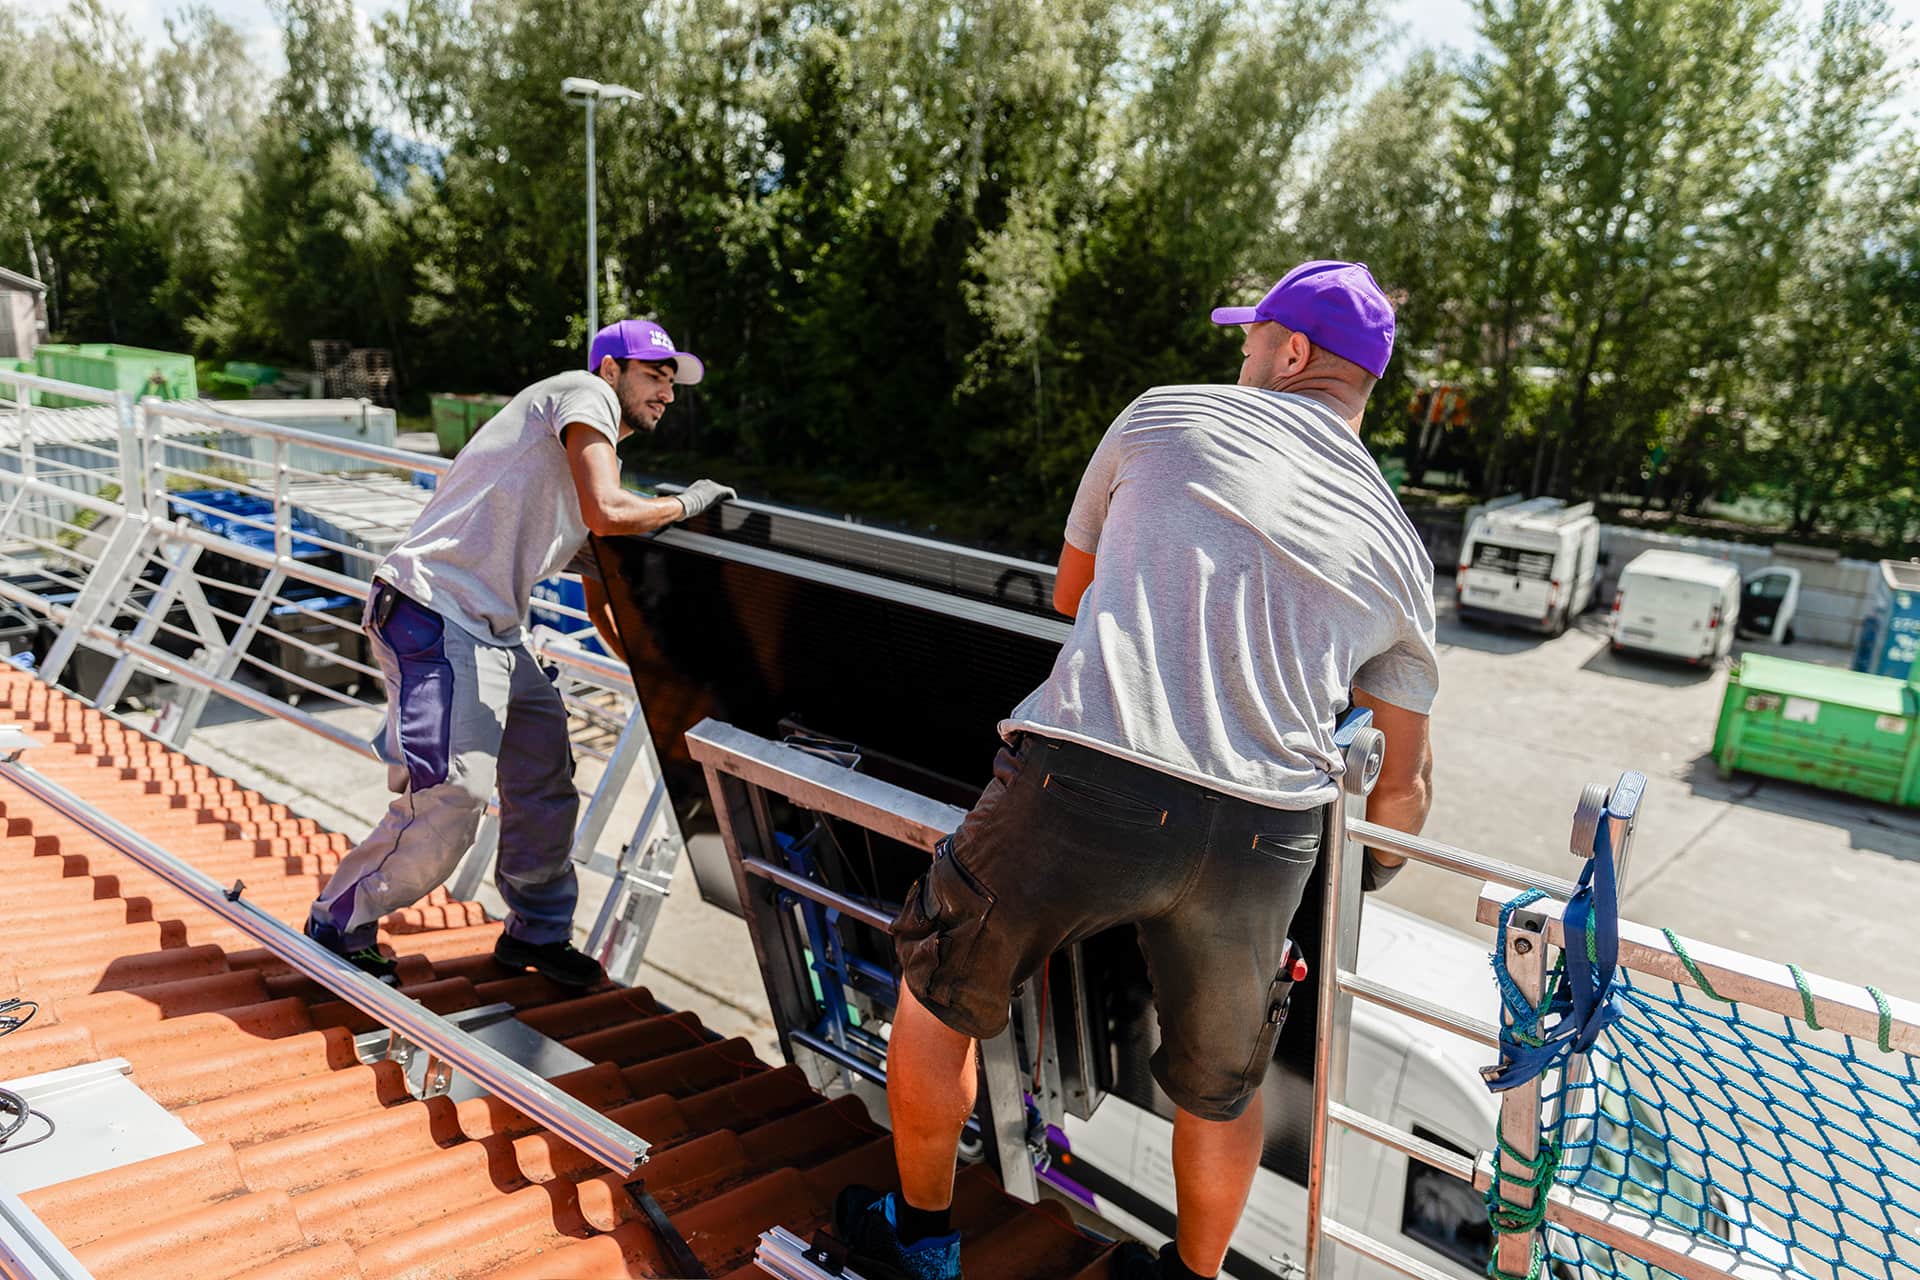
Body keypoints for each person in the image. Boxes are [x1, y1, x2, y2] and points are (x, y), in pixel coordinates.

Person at [835, 261, 1440, 1280]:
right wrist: (1365, 865)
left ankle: (920, 1240)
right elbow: (1401, 792)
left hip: (1088, 776)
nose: (1240, 354)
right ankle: (1189, 1276)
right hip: (1266, 834)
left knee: (939, 989)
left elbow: (1074, 592)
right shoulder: (1403, 546)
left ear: (1290, 353)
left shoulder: (1166, 415)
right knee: (1222, 1086)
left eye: (1251, 338)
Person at [304, 319, 736, 988]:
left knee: (544, 775)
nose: (667, 395)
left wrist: (654, 675)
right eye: (655, 376)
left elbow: (602, 598)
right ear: (612, 370)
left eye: (673, 384)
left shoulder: (585, 463)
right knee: (456, 793)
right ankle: (338, 921)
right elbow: (610, 514)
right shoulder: (580, 393)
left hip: (494, 633)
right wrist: (686, 503)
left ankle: (536, 932)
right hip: (433, 611)